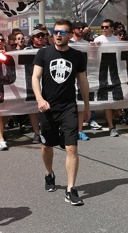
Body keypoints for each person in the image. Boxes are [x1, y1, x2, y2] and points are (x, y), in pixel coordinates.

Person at [32, 19, 90, 206]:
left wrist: (87, 105)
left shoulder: (78, 56)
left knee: (71, 147)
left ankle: (71, 189)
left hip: (68, 107)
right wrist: (40, 99)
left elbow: (83, 82)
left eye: (62, 32)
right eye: (55, 31)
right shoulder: (43, 53)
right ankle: (49, 173)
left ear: (70, 34)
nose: (58, 35)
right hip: (48, 107)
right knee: (47, 145)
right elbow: (35, 77)